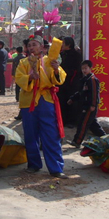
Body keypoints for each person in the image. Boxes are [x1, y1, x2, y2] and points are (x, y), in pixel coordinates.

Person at [15, 34, 67, 178]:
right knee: (30, 134)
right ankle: (33, 164)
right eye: (29, 45)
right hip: (28, 101)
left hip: (46, 100)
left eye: (34, 44)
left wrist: (56, 70)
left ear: (42, 47)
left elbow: (60, 79)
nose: (31, 47)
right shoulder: (23, 62)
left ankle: (56, 167)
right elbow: (19, 78)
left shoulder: (50, 61)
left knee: (51, 133)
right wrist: (30, 77)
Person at [67, 60, 106, 147]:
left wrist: (92, 105)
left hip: (89, 106)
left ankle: (77, 141)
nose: (84, 70)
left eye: (86, 68)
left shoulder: (92, 80)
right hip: (85, 105)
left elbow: (94, 93)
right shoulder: (85, 80)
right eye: (82, 68)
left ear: (90, 68)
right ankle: (106, 139)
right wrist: (72, 99)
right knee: (93, 125)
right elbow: (81, 92)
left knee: (83, 123)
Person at [58, 37, 82, 128]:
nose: (62, 45)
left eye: (63, 43)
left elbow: (77, 69)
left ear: (68, 44)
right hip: (61, 81)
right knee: (62, 101)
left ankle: (72, 121)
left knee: (72, 101)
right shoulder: (61, 54)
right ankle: (62, 120)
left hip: (72, 81)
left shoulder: (76, 55)